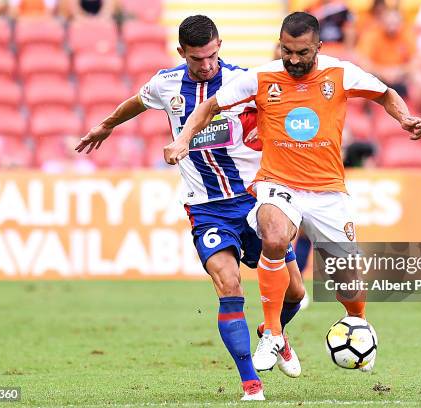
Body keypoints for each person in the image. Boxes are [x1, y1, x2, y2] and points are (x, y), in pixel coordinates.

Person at [164, 11, 421, 373]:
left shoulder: (341, 73)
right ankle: (272, 332)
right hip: (277, 183)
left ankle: (358, 323)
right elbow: (209, 106)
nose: (294, 59)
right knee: (273, 235)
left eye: (302, 52)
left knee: (348, 284)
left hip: (328, 190)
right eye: (287, 51)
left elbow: (387, 94)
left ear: (318, 46)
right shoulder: (261, 77)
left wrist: (404, 117)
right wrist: (182, 139)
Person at [75, 15, 305, 401]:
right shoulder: (167, 84)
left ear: (220, 47)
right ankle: (251, 382)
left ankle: (273, 333)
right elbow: (136, 102)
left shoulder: (241, 80)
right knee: (229, 285)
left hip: (254, 200)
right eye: (198, 58)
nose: (207, 65)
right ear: (182, 53)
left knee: (295, 293)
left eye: (213, 55)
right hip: (207, 208)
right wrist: (106, 125)